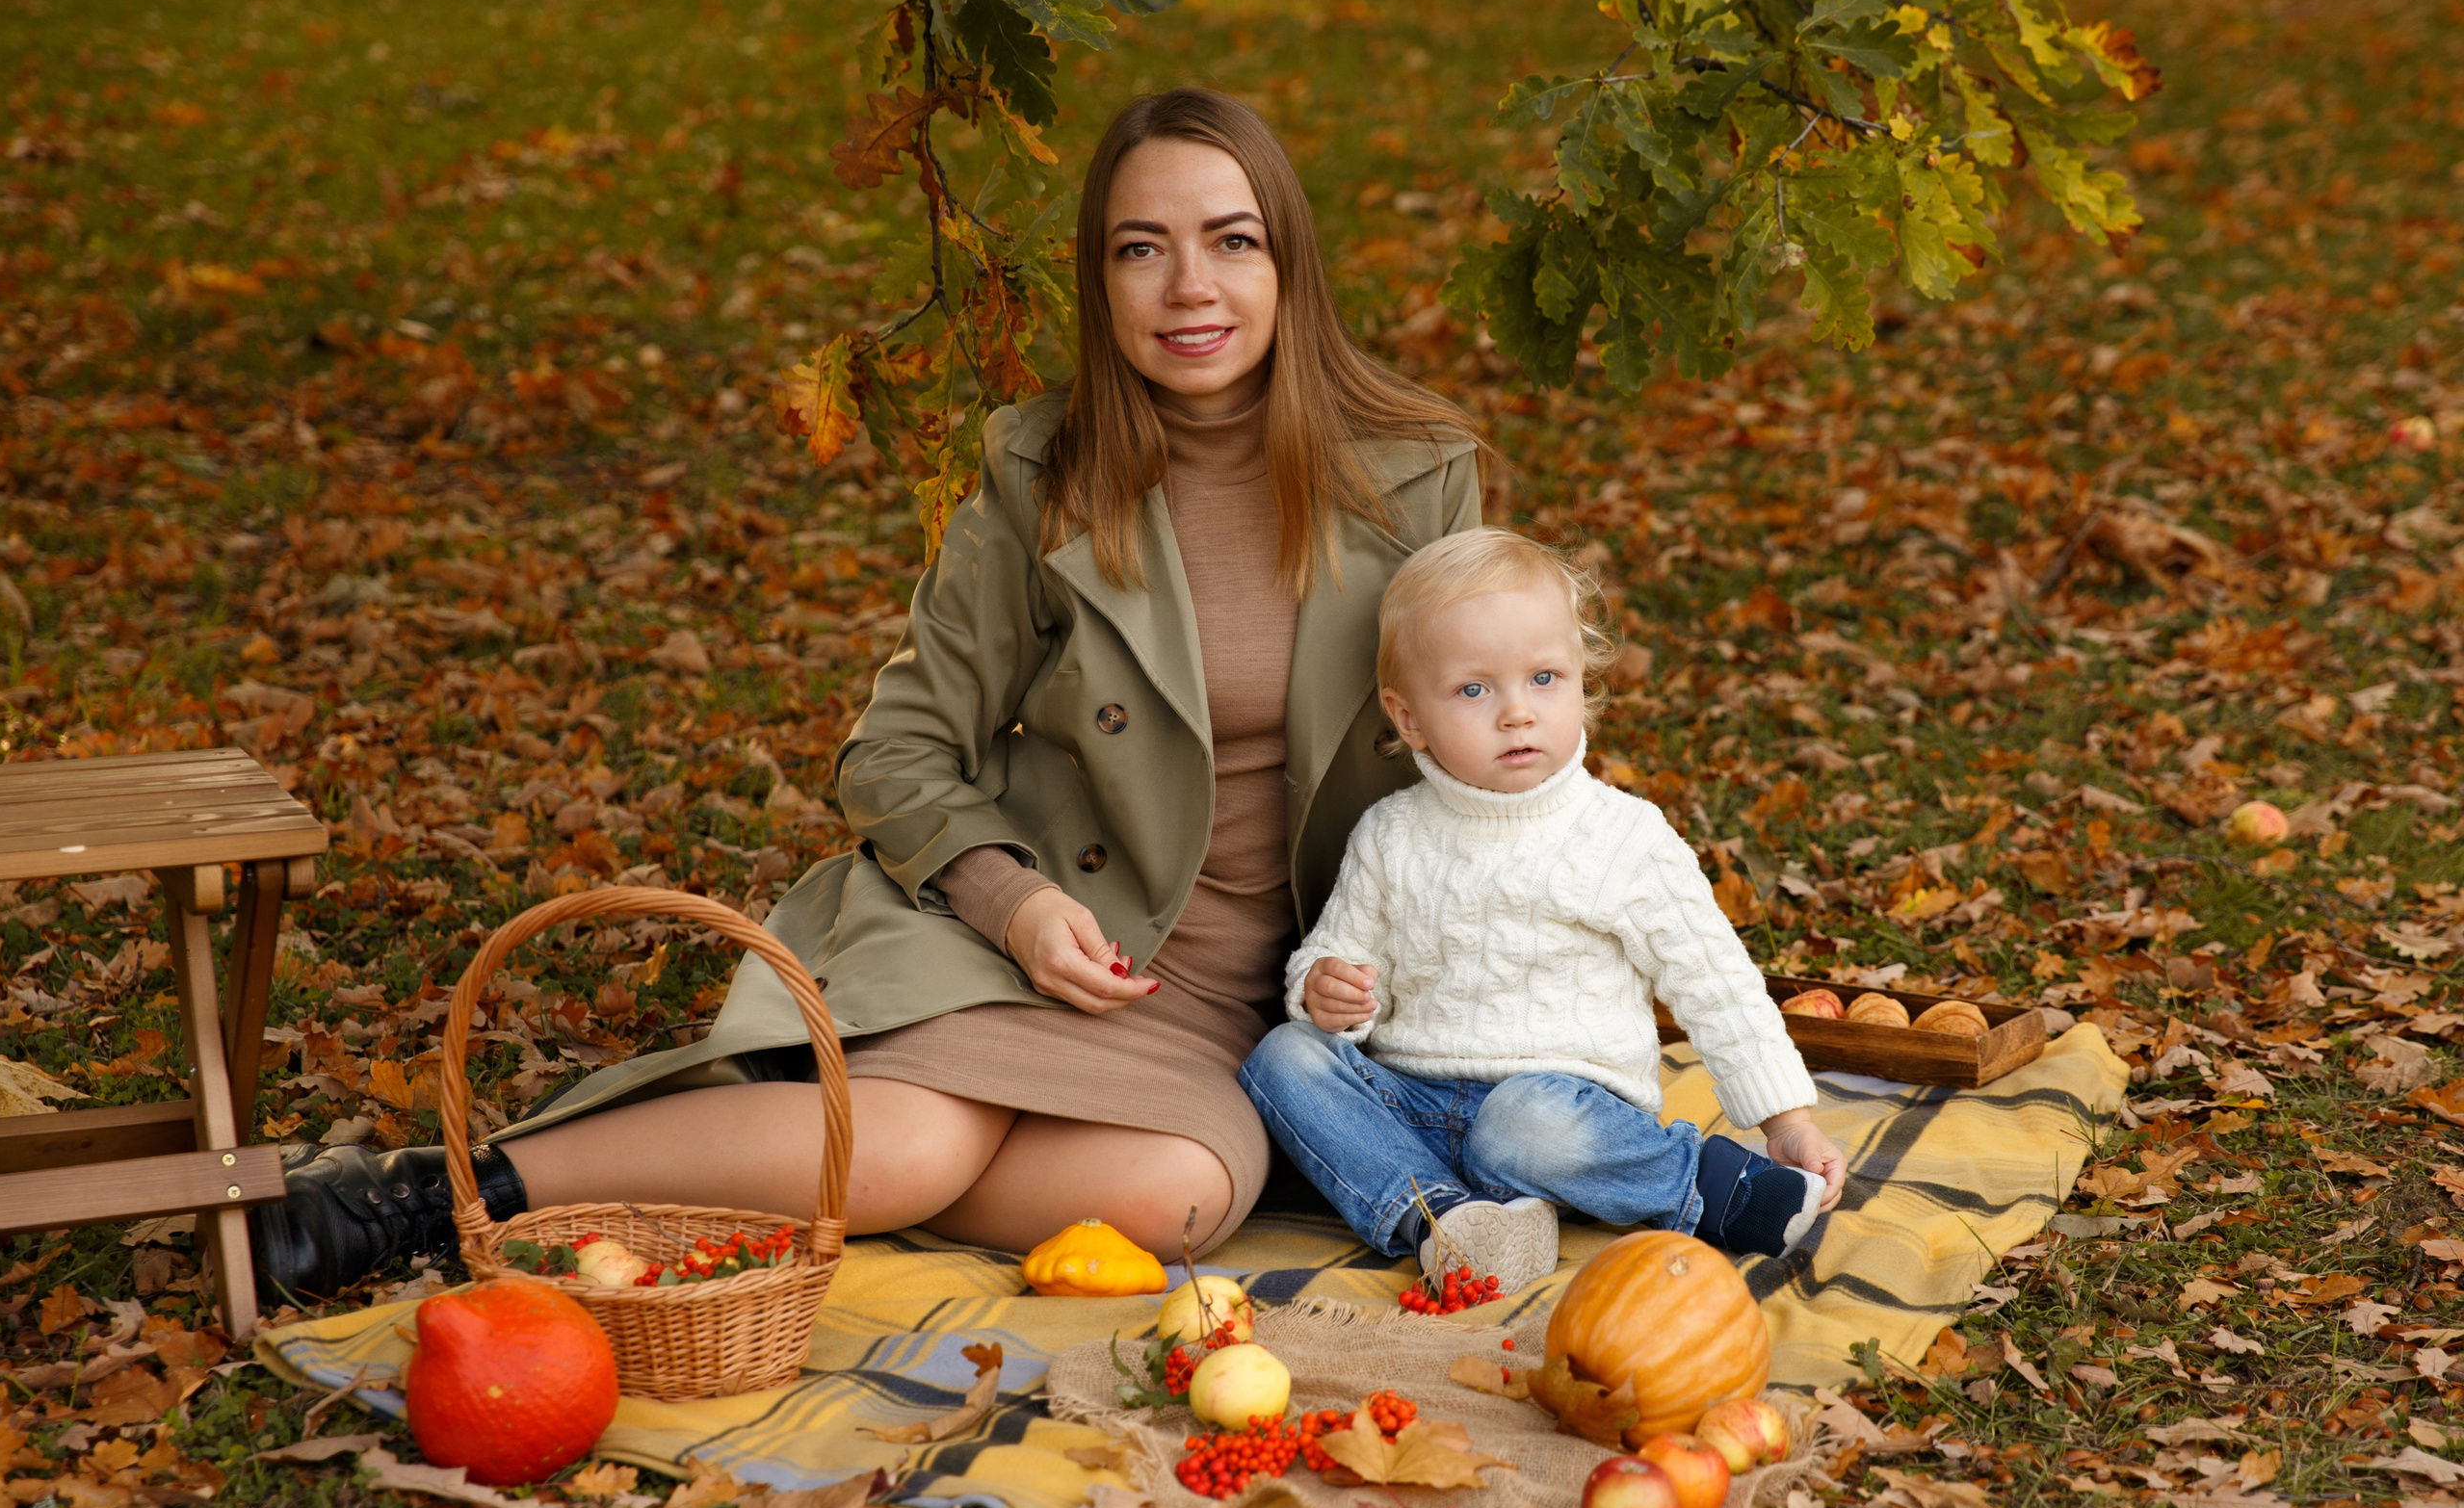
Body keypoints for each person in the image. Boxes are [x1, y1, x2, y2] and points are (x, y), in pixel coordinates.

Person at [249, 87, 1487, 1300]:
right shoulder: (1039, 469)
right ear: (1099, 279)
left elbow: (1475, 750)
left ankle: (770, 1142)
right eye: (1139, 249)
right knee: (908, 1150)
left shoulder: (1414, 481)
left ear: (1289, 261)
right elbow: (894, 752)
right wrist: (1014, 904)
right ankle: (432, 1192)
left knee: (1178, 1202)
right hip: (1028, 940)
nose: (1189, 289)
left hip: (1243, 1003)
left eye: (1231, 242)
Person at [1237, 528, 1848, 1295]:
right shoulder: (1391, 834)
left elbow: (1716, 984)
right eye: (1473, 689)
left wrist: (1785, 1118)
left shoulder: (1623, 836)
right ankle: (1452, 1222)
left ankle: (1706, 1185)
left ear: (1583, 682)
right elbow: (1338, 958)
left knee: (1525, 1120)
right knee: (1283, 1057)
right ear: (1409, 717)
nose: (1516, 713)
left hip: (1562, 1109)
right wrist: (1326, 990)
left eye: (1545, 678)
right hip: (1413, 1102)